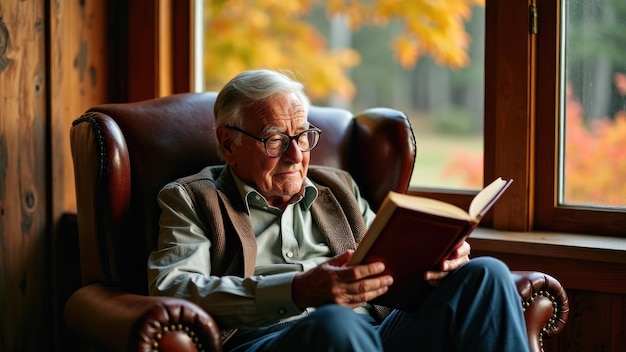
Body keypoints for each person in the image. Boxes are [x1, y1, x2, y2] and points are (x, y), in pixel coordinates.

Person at [147, 69, 530, 352]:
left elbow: (385, 264)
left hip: (374, 333)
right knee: (336, 324)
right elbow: (174, 288)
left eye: (303, 136)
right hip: (272, 341)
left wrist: (438, 261)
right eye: (276, 140)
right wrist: (297, 290)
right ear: (228, 144)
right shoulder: (192, 199)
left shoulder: (338, 187)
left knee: (486, 275)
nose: (297, 155)